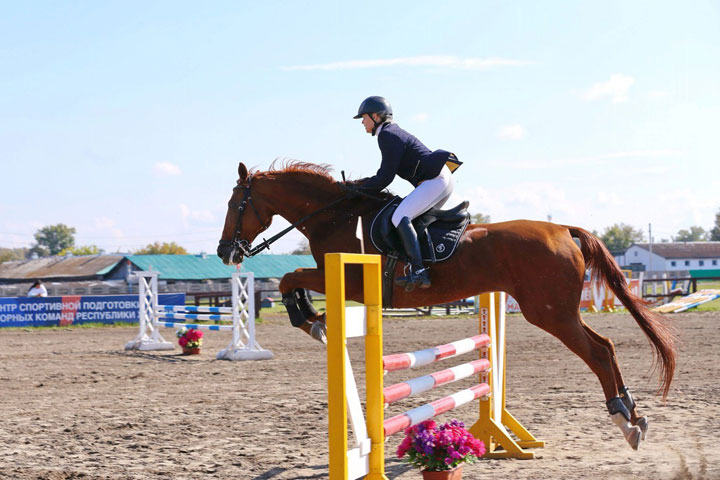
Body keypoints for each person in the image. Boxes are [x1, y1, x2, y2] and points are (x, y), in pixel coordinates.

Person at [353, 96, 462, 290]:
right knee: (413, 220)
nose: (362, 122)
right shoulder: (390, 132)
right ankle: (424, 264)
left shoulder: (387, 134)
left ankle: (419, 271)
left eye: (364, 117)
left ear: (376, 116)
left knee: (399, 216)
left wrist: (358, 189)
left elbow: (385, 177)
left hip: (435, 180)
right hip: (439, 179)